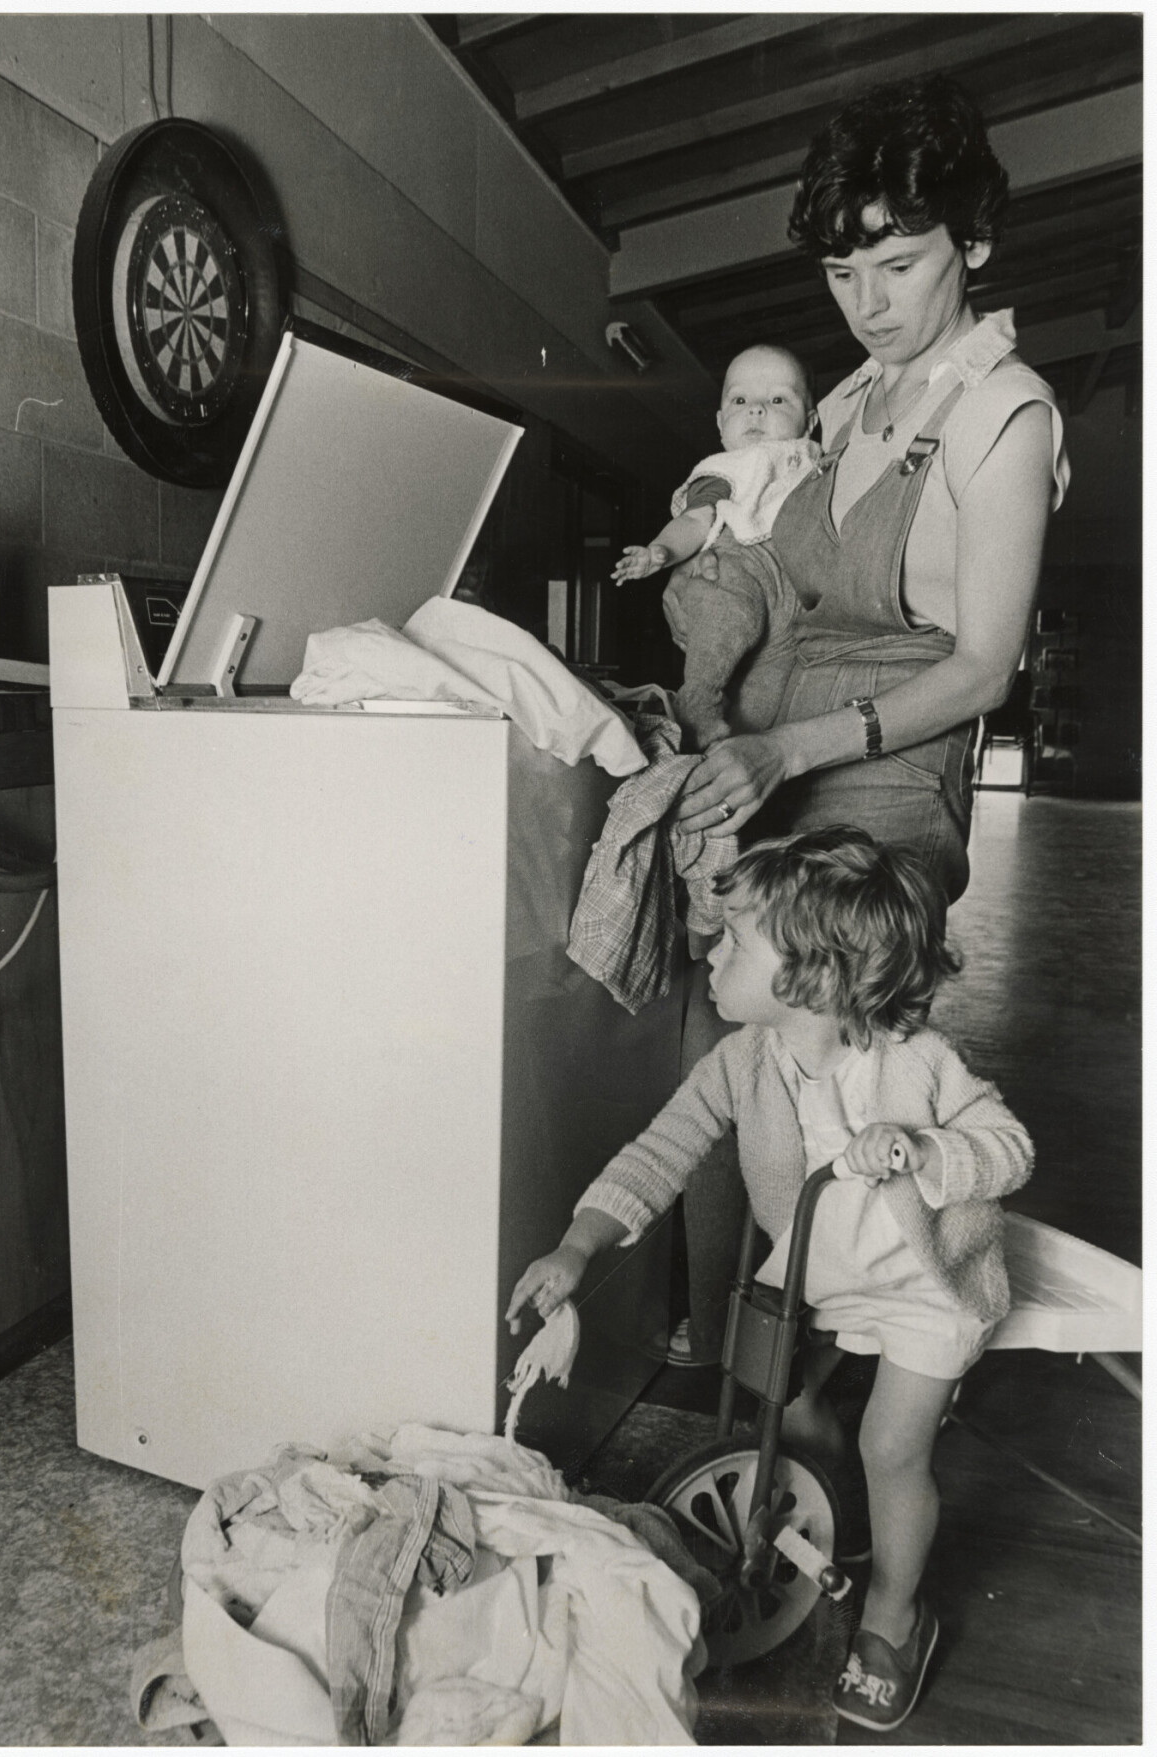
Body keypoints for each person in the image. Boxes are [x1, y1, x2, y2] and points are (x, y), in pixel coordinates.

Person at [664, 71, 1069, 1369]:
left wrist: (788, 747)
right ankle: (734, 1358)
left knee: (816, 1061)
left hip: (886, 781)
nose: (869, 305)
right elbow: (770, 568)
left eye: (899, 265)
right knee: (721, 1042)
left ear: (975, 242)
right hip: (771, 753)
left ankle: (829, 1363)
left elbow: (985, 669)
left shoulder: (1003, 415)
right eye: (843, 273)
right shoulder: (842, 405)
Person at [508, 828, 1033, 1732]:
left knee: (890, 1446)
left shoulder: (915, 1061)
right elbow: (660, 1152)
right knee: (785, 1404)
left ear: (814, 975)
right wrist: (576, 1247)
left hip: (925, 1286)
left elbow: (1010, 1148)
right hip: (823, 1273)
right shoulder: (741, 1062)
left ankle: (895, 1615)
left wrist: (925, 1148)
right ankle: (844, 1514)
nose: (710, 953)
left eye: (735, 940)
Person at [613, 345, 820, 751]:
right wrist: (660, 551)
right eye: (740, 401)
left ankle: (740, 748)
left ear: (810, 422)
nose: (756, 409)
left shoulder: (817, 464)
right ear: (721, 423)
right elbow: (695, 519)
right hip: (737, 567)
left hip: (790, 599)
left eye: (778, 400)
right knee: (727, 618)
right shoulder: (727, 468)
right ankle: (697, 701)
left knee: (768, 696)